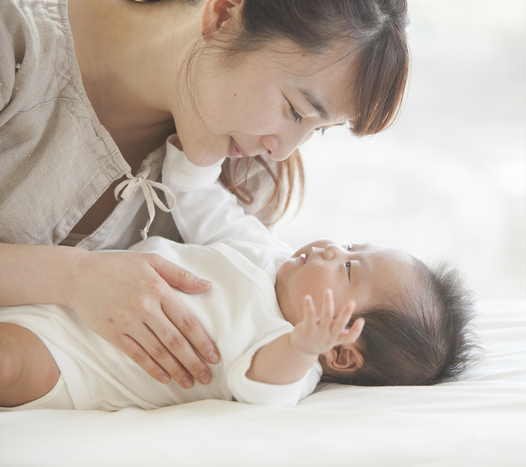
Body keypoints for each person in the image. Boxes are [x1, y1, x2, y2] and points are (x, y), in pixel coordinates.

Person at [0, 0, 409, 390]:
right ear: (222, 14)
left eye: (317, 129)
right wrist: (73, 277)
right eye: (296, 110)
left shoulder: (249, 176)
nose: (281, 150)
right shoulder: (15, 43)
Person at [0, 135, 477, 410]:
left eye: (349, 268)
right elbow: (199, 202)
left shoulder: (287, 354)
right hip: (72, 295)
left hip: (84, 365)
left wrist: (303, 344)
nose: (332, 248)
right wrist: (196, 149)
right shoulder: (263, 249)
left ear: (342, 354)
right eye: (349, 244)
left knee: (9, 366)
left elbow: (266, 389)